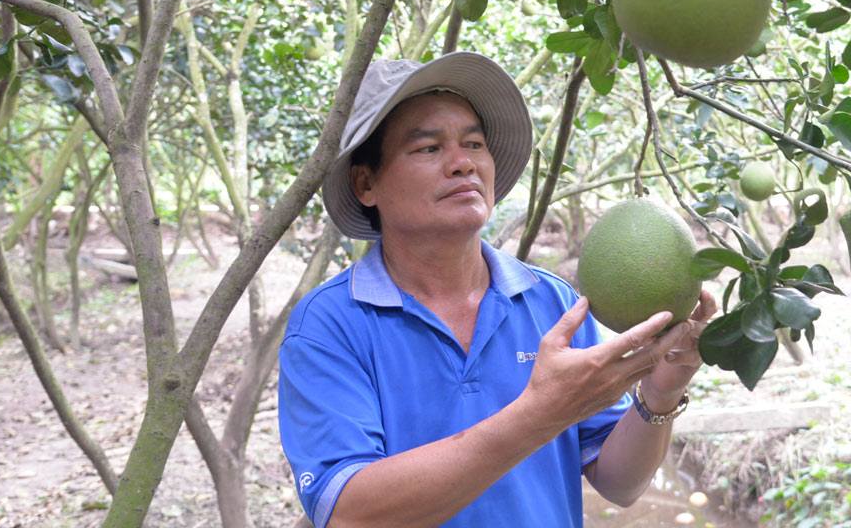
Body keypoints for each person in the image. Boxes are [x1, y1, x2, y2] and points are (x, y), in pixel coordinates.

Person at [278, 51, 715, 528]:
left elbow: (620, 484)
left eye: (474, 143)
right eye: (428, 148)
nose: (462, 163)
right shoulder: (329, 325)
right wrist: (540, 413)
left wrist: (660, 391)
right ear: (366, 183)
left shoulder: (552, 304)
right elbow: (350, 515)